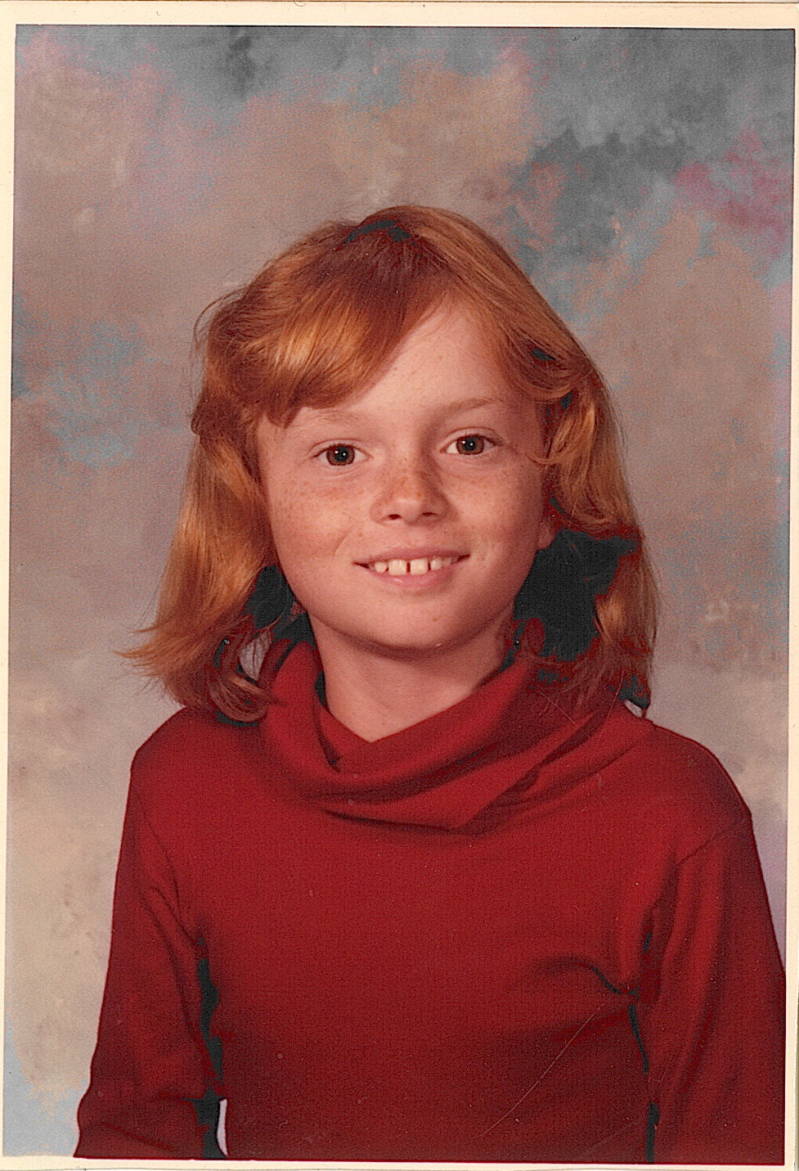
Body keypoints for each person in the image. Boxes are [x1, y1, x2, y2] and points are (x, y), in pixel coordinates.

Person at [75, 206, 784, 1164]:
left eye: (469, 443)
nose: (408, 497)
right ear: (254, 501)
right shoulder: (184, 785)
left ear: (550, 488)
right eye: (340, 453)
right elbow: (135, 1138)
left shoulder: (671, 813)